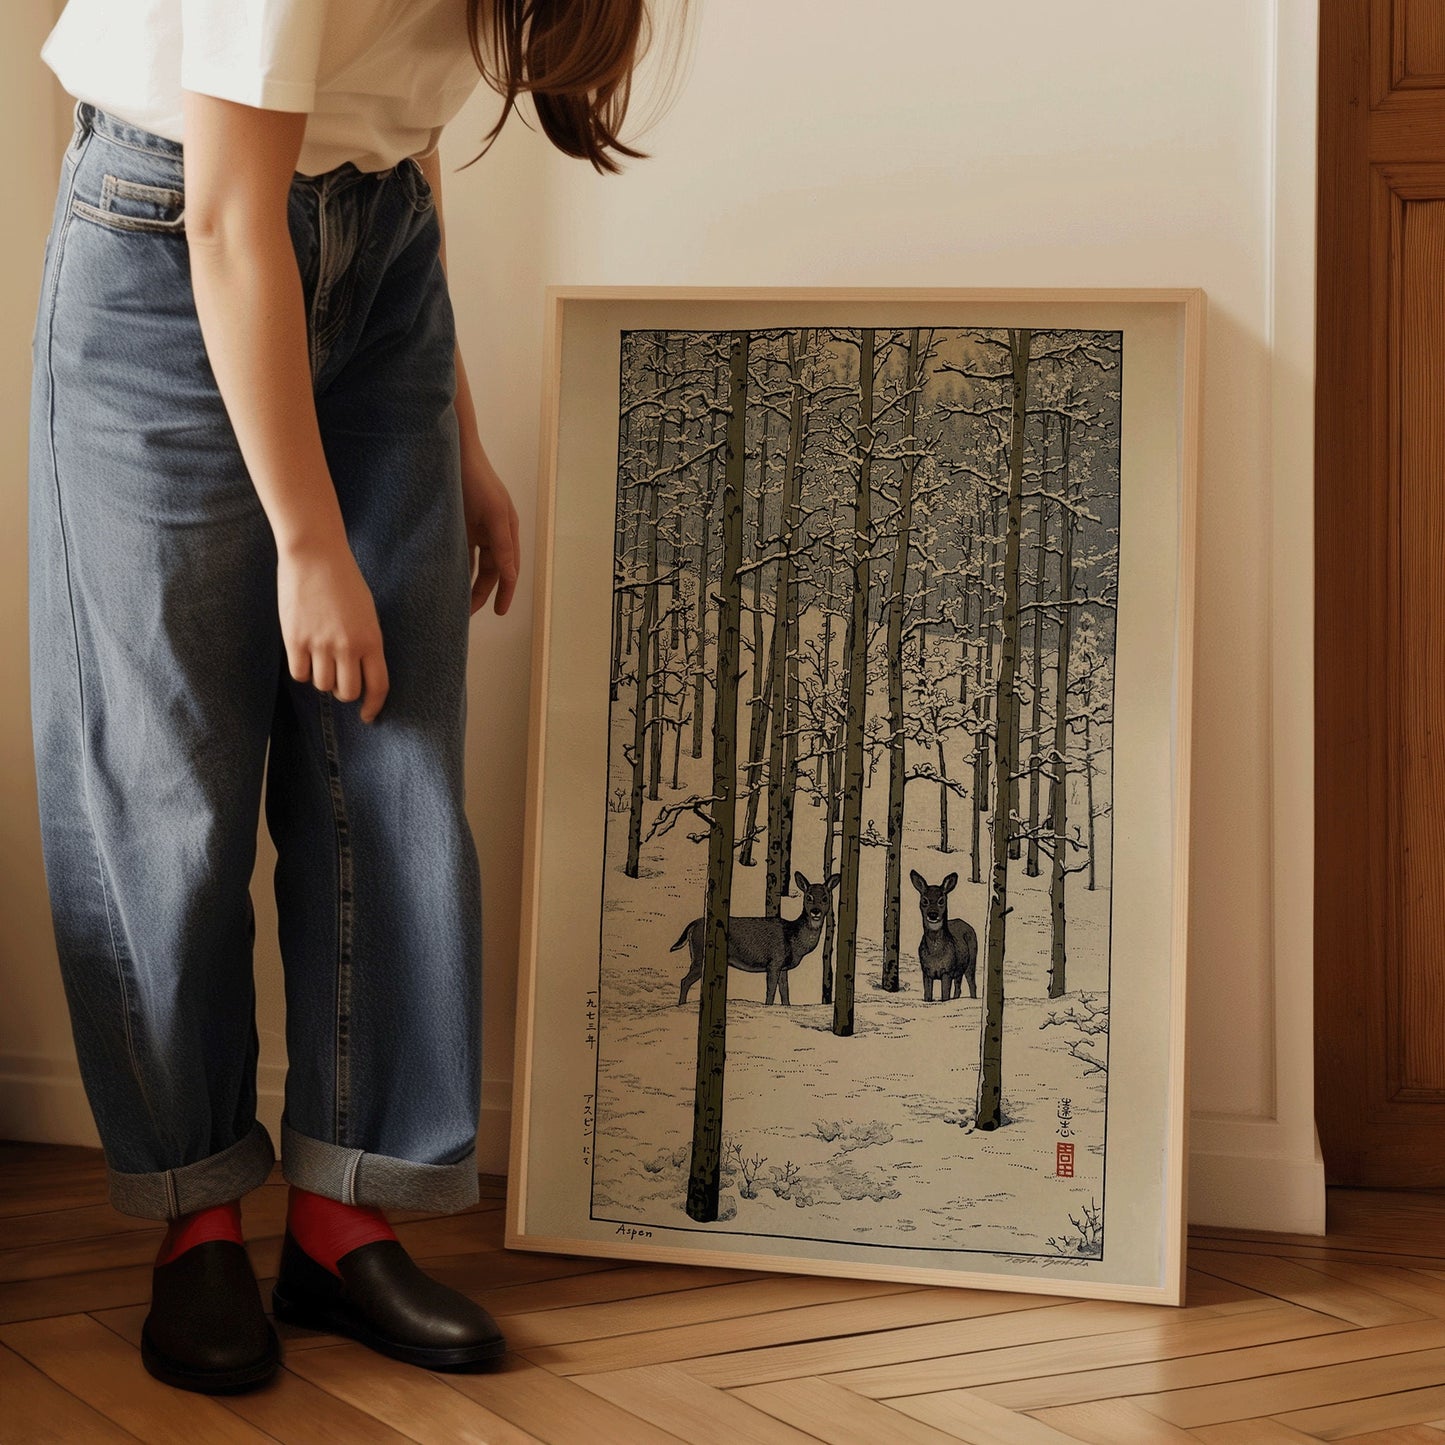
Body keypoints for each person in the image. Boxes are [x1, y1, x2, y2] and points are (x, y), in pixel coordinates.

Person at [29, 0, 678, 1396]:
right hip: (167, 246)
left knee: (389, 765)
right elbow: (225, 218)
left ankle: (338, 1214)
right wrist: (310, 543)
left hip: (376, 256)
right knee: (169, 782)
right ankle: (197, 1215)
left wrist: (461, 437)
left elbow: (394, 140)